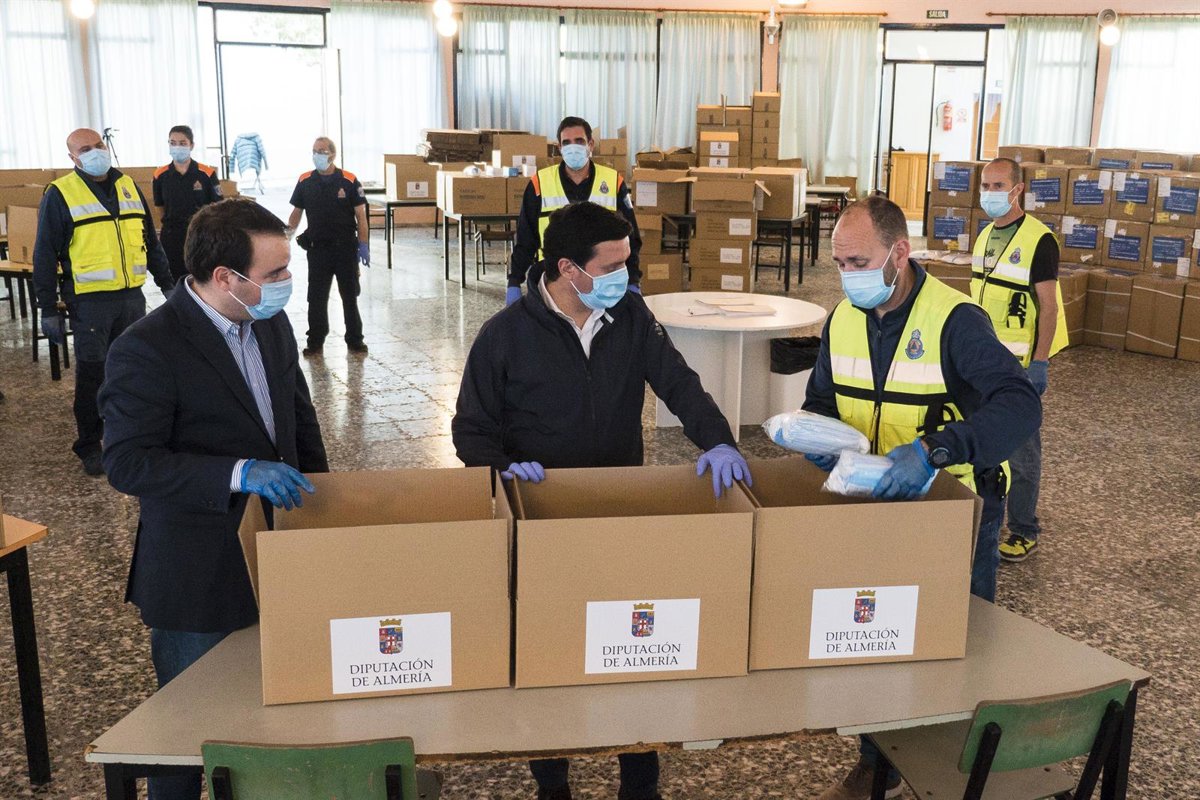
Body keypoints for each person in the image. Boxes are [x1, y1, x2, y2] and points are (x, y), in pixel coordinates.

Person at [453, 201, 751, 800]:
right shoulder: (504, 336)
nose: (628, 275)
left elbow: (679, 383)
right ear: (569, 268)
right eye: (614, 265)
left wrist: (719, 440)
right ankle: (552, 780)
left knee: (633, 651)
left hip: (620, 509)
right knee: (548, 655)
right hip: (544, 517)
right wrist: (503, 469)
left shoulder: (630, 316)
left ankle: (640, 780)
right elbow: (470, 430)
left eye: (628, 262)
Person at [803, 196, 1041, 800]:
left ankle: (954, 769)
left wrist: (936, 448)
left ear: (900, 253)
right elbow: (821, 401)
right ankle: (877, 763)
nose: (847, 276)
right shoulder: (844, 319)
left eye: (859, 262)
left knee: (953, 642)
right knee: (875, 637)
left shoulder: (955, 320)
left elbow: (1018, 405)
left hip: (953, 509)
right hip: (871, 504)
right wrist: (817, 438)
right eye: (839, 263)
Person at [99, 197, 328, 800]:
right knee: (186, 735)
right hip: (196, 573)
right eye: (275, 272)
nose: (286, 281)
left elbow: (297, 416)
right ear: (225, 277)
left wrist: (326, 502)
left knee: (276, 716)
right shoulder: (148, 347)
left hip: (278, 556)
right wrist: (237, 472)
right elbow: (128, 461)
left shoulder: (268, 322)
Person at [33, 128, 175, 476]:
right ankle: (89, 444)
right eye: (85, 149)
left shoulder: (128, 186)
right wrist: (48, 308)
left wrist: (169, 286)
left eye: (99, 145)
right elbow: (44, 253)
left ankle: (130, 436)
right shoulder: (60, 193)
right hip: (89, 303)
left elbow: (150, 242)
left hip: (131, 298)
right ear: (73, 158)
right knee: (94, 375)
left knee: (134, 370)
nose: (95, 152)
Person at [975, 157, 1068, 563]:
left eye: (998, 186)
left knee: (1022, 451)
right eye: (985, 186)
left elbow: (1048, 307)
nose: (990, 193)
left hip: (1018, 367)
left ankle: (1024, 529)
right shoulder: (984, 236)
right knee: (983, 444)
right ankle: (986, 519)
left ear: (1018, 190)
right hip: (982, 361)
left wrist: (1040, 362)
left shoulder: (1038, 240)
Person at [506, 116, 642, 306]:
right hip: (554, 279)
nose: (573, 147)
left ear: (590, 144)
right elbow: (526, 238)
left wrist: (633, 279)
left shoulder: (613, 182)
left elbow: (631, 237)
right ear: (559, 147)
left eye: (579, 141)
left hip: (601, 281)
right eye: (566, 142)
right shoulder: (539, 184)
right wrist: (514, 281)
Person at [287, 136, 370, 356]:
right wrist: (285, 239)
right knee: (316, 297)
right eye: (315, 151)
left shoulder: (349, 180)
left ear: (333, 154)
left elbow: (361, 216)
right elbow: (296, 214)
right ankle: (315, 340)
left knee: (349, 296)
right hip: (318, 250)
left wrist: (363, 245)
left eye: (322, 151)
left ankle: (355, 339)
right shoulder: (305, 180)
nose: (317, 155)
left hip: (345, 249)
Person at [152, 124, 222, 281]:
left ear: (191, 145)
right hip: (172, 236)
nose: (177, 147)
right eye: (173, 143)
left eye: (182, 143)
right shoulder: (160, 175)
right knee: (174, 279)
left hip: (200, 235)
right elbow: (159, 206)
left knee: (201, 277)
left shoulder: (206, 173)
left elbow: (217, 206)